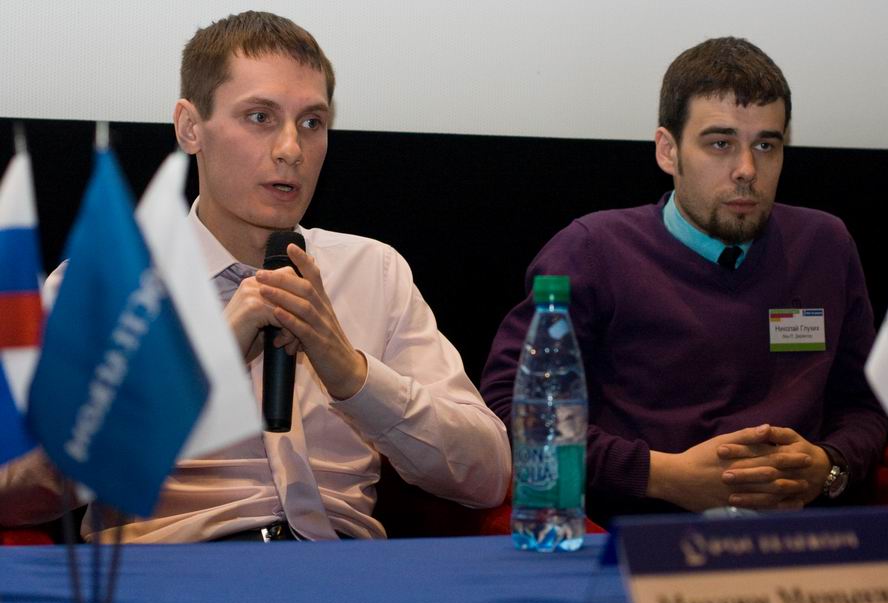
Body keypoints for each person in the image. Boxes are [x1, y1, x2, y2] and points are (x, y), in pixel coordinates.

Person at [0, 11, 510, 542]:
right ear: (190, 127)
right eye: (260, 117)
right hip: (173, 571)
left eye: (312, 123)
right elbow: (13, 487)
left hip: (339, 570)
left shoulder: (374, 271)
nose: (291, 149)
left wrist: (354, 375)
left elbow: (489, 474)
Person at [480, 37, 888, 529]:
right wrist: (661, 476)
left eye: (766, 145)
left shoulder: (824, 246)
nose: (747, 170)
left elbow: (865, 407)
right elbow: (512, 409)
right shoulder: (591, 251)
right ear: (668, 150)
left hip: (798, 539)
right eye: (720, 144)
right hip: (636, 538)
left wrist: (829, 466)